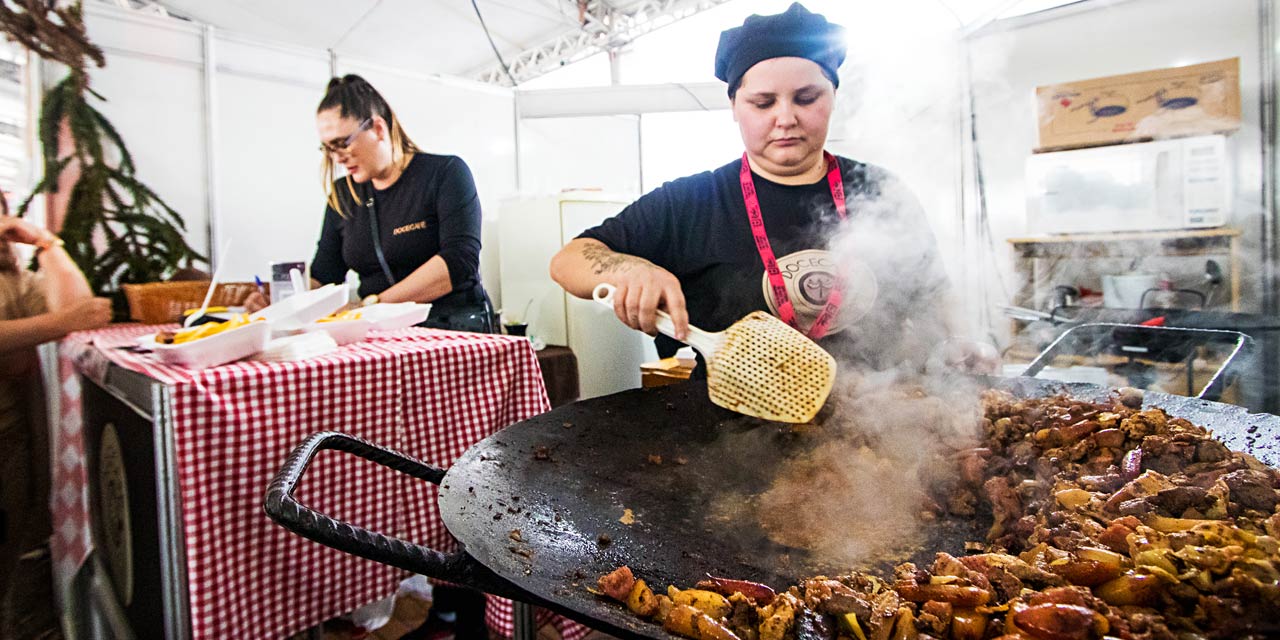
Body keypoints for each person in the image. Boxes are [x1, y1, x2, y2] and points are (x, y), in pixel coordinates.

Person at [551, 3, 991, 375]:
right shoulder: (694, 200)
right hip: (728, 440)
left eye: (806, 98)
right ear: (735, 107)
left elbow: (934, 294)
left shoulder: (878, 190)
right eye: (763, 103)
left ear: (833, 98)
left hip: (877, 426)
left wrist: (962, 340)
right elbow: (569, 260)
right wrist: (627, 270)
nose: (785, 118)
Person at [244, 74, 495, 333]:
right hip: (381, 337)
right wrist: (282, 300)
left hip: (455, 330)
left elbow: (458, 261)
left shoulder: (445, 173)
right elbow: (325, 274)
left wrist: (372, 306)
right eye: (328, 149)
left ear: (377, 128)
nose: (337, 158)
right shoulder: (343, 195)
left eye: (342, 144)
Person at [0, 213, 111, 636]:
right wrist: (57, 324)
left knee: (9, 544)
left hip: (10, 431)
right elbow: (65, 319)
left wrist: (48, 244)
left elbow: (78, 310)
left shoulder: (11, 277)